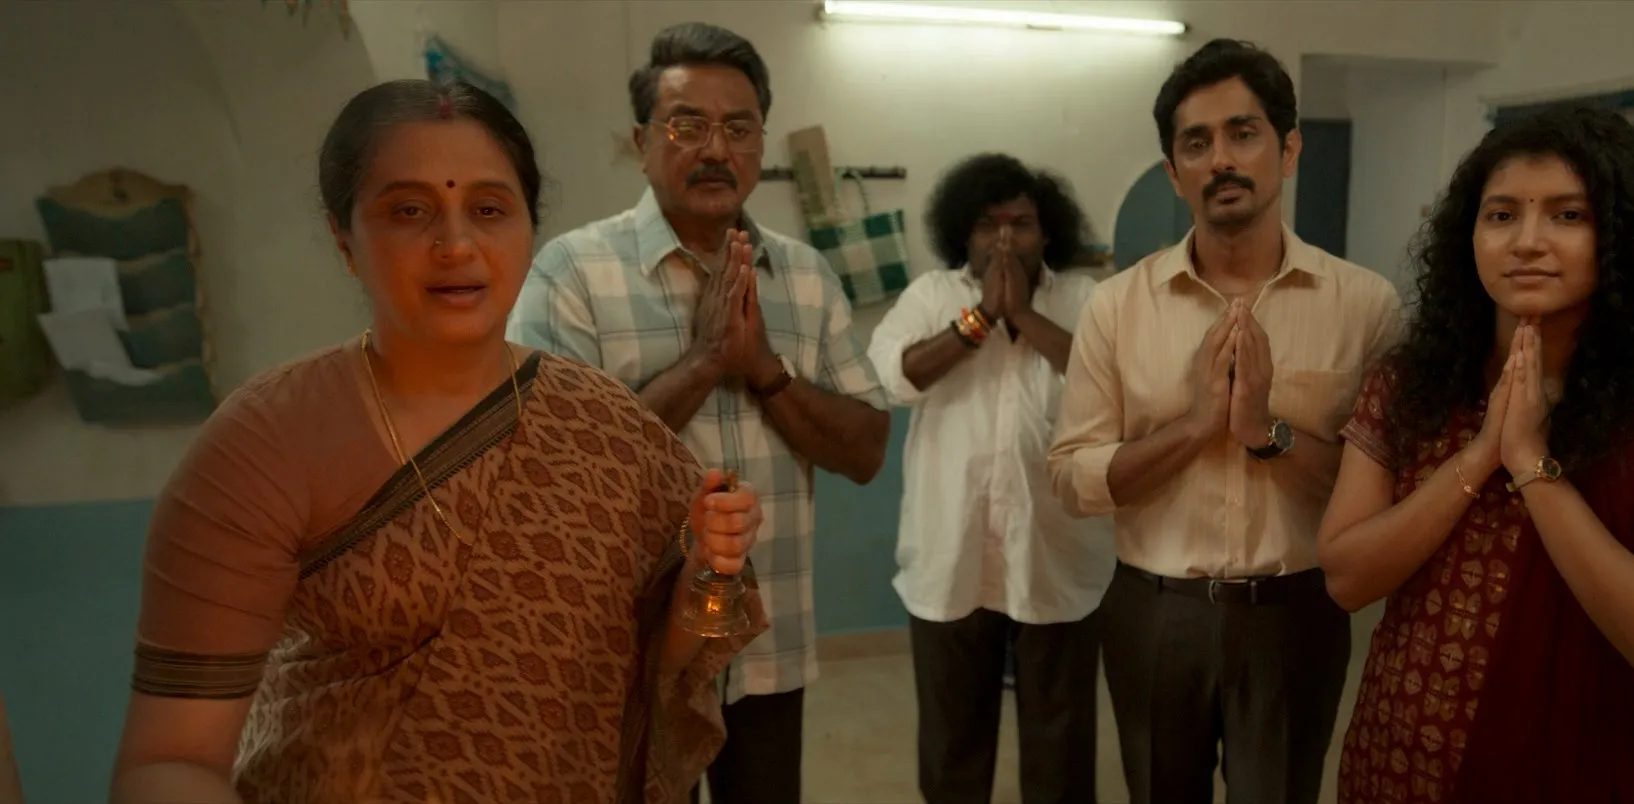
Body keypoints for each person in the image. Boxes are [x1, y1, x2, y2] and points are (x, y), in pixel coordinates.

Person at [107, 80, 768, 804]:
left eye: (488, 209)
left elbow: (664, 663)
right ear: (344, 240)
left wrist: (708, 571)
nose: (456, 245)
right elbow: (169, 761)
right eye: (409, 211)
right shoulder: (264, 444)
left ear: (528, 229)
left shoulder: (610, 429)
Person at [1318, 107, 1634, 804]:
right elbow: (1346, 578)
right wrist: (1479, 456)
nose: (1527, 242)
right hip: (1397, 761)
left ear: (1624, 235)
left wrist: (1530, 462)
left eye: (1568, 215)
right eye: (1501, 215)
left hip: (1579, 769)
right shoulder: (1414, 385)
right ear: (1468, 236)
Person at [507, 22, 891, 804]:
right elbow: (549, 466)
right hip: (631, 648)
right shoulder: (573, 272)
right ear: (641, 141)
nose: (717, 148)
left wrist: (765, 371)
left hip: (770, 640)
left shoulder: (805, 276)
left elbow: (866, 451)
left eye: (739, 128)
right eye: (687, 126)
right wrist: (706, 362)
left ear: (761, 142)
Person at [1047, 38, 1401, 804]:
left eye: (1243, 134)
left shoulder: (1364, 307)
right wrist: (1195, 427)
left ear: (1289, 150)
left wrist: (1265, 432)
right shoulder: (1117, 307)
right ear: (1174, 173)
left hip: (1294, 614)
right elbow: (1072, 477)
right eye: (1197, 143)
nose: (1221, 160)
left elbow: (1380, 489)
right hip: (1155, 611)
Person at [867, 154, 1110, 804]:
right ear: (962, 234)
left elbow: (1111, 383)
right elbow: (894, 376)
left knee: (1061, 748)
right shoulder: (930, 296)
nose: (1004, 240)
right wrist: (980, 318)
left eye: (1020, 224)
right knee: (954, 746)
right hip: (950, 558)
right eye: (987, 225)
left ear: (1048, 232)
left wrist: (1022, 315)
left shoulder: (1084, 299)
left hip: (1057, 559)